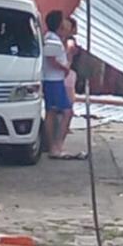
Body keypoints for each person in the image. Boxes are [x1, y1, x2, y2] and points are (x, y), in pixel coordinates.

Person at [42, 11, 83, 160]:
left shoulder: (55, 38)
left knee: (52, 112)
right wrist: (64, 68)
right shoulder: (52, 39)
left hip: (54, 80)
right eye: (64, 20)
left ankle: (54, 145)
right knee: (66, 111)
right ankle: (56, 145)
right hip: (53, 80)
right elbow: (51, 59)